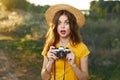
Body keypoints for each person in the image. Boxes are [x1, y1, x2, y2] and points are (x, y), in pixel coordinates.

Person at [41, 4, 90, 80]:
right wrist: (50, 62)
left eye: (67, 23)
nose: (62, 26)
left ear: (72, 26)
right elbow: (44, 78)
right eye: (59, 23)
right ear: (55, 26)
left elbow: (85, 78)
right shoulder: (50, 46)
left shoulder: (82, 48)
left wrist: (73, 65)